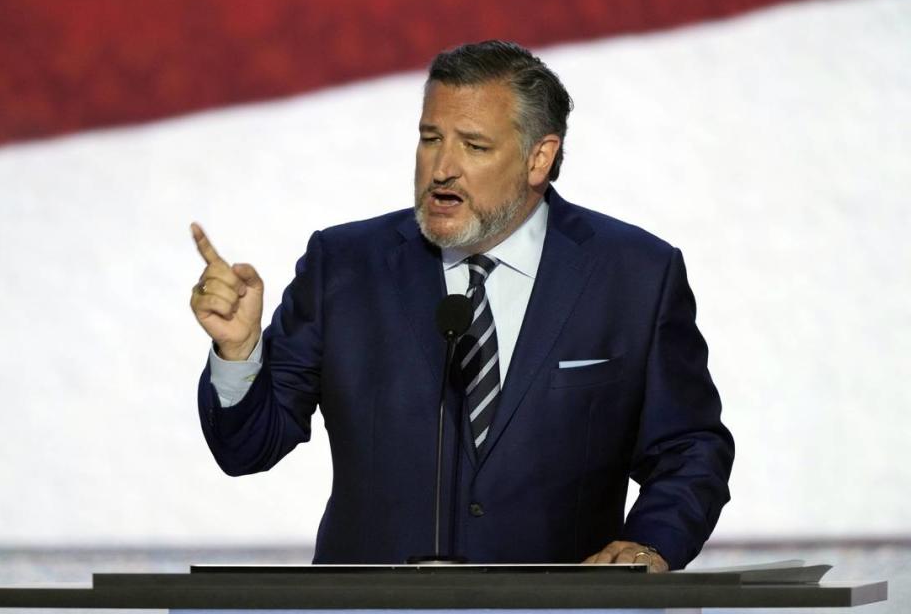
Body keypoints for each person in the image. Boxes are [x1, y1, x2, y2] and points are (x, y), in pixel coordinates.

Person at [190, 40, 734, 571]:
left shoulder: (633, 274)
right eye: (431, 139)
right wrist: (238, 351)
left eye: (473, 146)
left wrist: (649, 544)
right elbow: (248, 450)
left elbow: (689, 448)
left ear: (538, 157)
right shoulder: (345, 267)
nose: (442, 168)